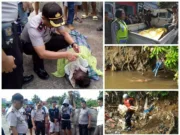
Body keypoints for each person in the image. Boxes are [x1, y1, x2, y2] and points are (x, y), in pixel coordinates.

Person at [21, 2, 79, 80]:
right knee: (39, 51)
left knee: (65, 41)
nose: (55, 25)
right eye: (53, 23)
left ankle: (47, 51)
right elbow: (42, 53)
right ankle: (38, 68)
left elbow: (64, 33)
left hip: (45, 38)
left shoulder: (53, 17)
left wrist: (73, 44)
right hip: (28, 45)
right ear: (44, 18)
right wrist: (66, 54)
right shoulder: (34, 27)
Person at [2, 2, 34, 89]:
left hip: (11, 25)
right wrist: (3, 58)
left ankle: (19, 79)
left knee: (18, 58)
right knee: (10, 66)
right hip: (4, 28)